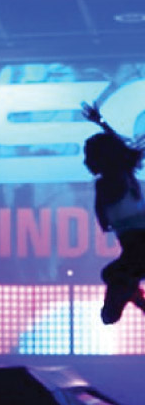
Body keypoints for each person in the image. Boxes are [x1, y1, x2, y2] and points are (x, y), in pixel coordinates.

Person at [81, 101, 145, 324]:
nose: (85, 162)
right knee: (113, 276)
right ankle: (134, 297)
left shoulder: (109, 182)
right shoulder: (125, 173)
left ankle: (134, 298)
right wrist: (101, 123)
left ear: (100, 159)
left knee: (113, 280)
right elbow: (122, 148)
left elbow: (104, 222)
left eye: (88, 156)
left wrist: (101, 123)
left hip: (138, 249)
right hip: (136, 250)